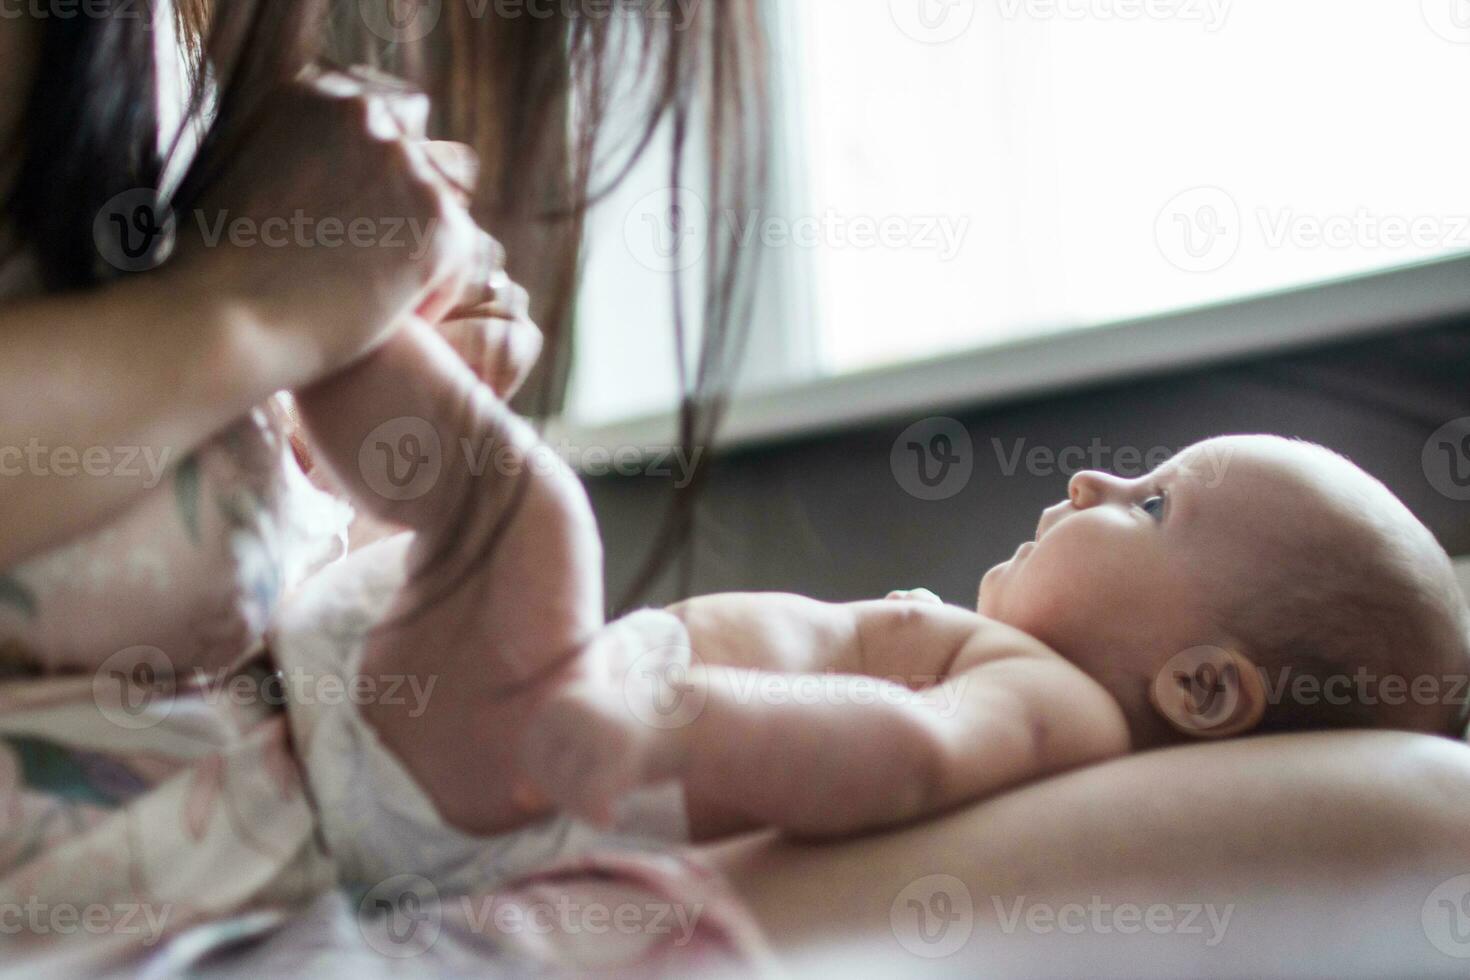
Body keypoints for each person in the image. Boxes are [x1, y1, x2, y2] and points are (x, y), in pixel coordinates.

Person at [1, 3, 1468, 975]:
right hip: (387, 761)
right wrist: (264, 319)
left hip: (494, 742)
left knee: (519, 511)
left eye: (1149, 503)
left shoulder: (1043, 702)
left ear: (1206, 692)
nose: (1092, 474)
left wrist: (642, 724)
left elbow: (896, 758)